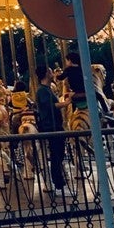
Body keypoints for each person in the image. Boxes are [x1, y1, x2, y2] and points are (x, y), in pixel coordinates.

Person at [35, 64, 68, 192]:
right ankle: (57, 180)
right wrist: (66, 103)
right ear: (46, 74)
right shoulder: (42, 91)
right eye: (50, 72)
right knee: (56, 153)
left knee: (59, 152)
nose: (52, 74)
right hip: (50, 126)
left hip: (55, 125)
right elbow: (50, 106)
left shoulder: (47, 89)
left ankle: (59, 178)